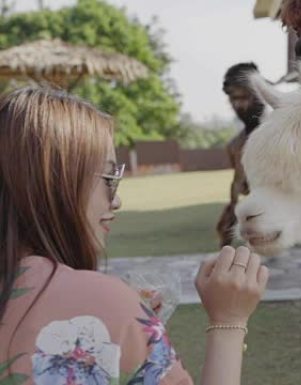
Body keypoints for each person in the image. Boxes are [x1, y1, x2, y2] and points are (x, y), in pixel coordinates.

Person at [0, 87, 269, 385]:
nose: (115, 201)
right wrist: (228, 321)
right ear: (54, 183)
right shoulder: (103, 303)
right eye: (109, 179)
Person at [216, 62, 265, 246]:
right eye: (233, 99)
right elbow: (240, 186)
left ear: (260, 94)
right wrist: (232, 210)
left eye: (244, 97)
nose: (238, 105)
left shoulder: (282, 134)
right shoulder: (235, 146)